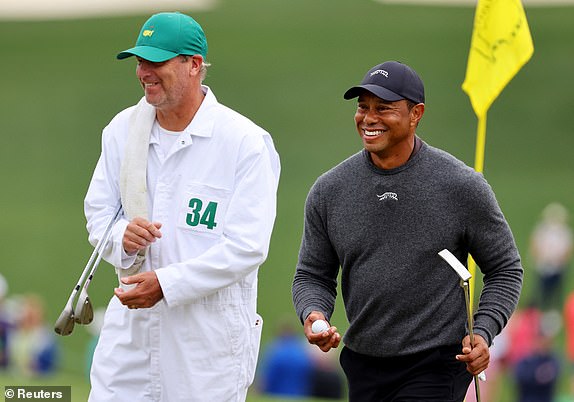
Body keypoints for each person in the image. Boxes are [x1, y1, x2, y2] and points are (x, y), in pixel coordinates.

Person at [292, 60, 523, 401]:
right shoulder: (330, 191)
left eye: (384, 109)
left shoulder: (461, 186)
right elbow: (312, 275)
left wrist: (485, 330)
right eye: (363, 107)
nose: (369, 118)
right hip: (362, 363)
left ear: (416, 114)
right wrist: (313, 313)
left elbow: (505, 269)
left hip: (436, 363)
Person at [84, 12, 280, 401]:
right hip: (130, 333)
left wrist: (167, 285)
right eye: (140, 61)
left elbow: (248, 246)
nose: (144, 72)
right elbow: (98, 215)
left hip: (206, 344)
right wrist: (123, 237)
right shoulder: (122, 130)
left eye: (156, 61)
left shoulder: (244, 142)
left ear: (194, 65)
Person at [529, 202, 573, 311]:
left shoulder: (564, 232)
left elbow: (567, 250)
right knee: (542, 292)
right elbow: (535, 246)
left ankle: (553, 313)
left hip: (558, 267)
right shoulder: (542, 230)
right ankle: (540, 313)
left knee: (556, 293)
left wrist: (559, 260)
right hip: (544, 267)